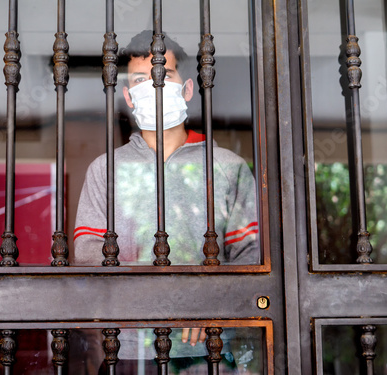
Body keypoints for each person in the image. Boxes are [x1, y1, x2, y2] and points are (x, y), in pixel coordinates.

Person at [74, 30, 259, 356]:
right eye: (140, 80)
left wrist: (208, 303)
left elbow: (251, 256)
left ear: (187, 89)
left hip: (209, 354)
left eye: (164, 74)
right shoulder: (104, 171)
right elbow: (91, 259)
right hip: (128, 354)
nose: (153, 86)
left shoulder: (229, 168)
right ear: (129, 97)